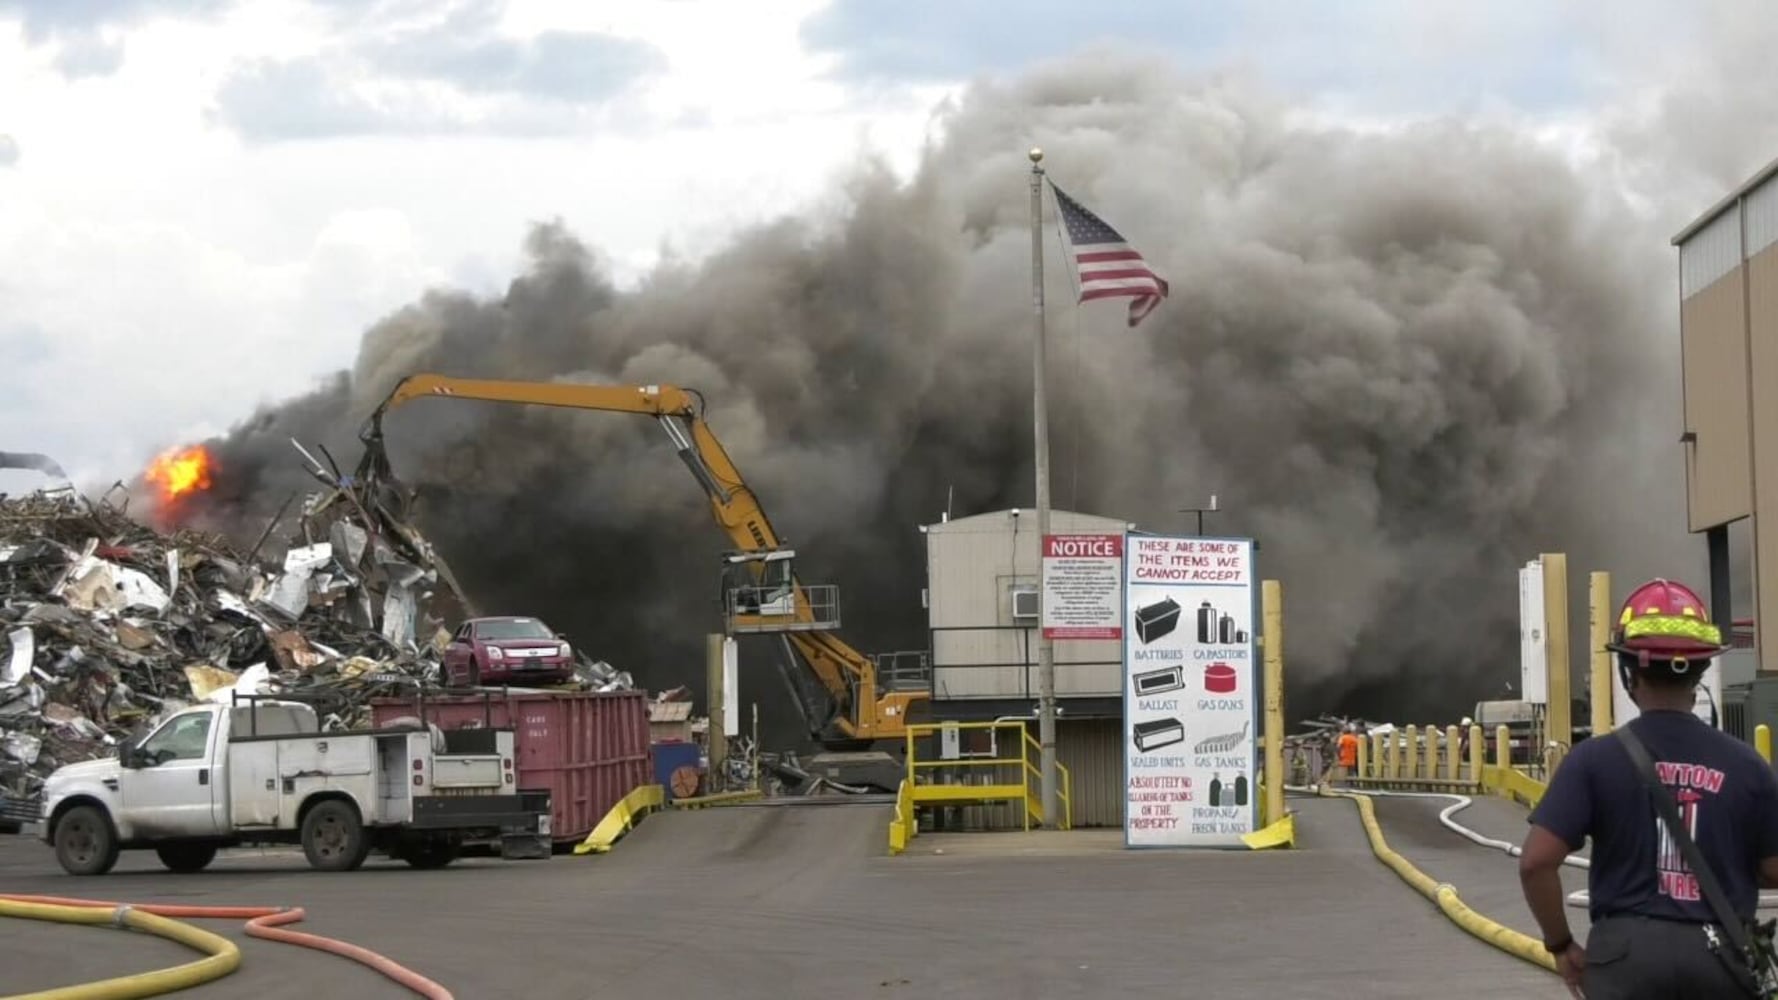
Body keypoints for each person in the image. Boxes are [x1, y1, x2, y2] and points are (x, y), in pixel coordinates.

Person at [1518, 578, 1778, 998]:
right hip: (1720, 960)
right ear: (1700, 670)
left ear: (1628, 672)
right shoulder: (1748, 765)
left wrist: (1561, 944)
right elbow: (1773, 868)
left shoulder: (1592, 760)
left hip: (1623, 961)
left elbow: (1535, 863)